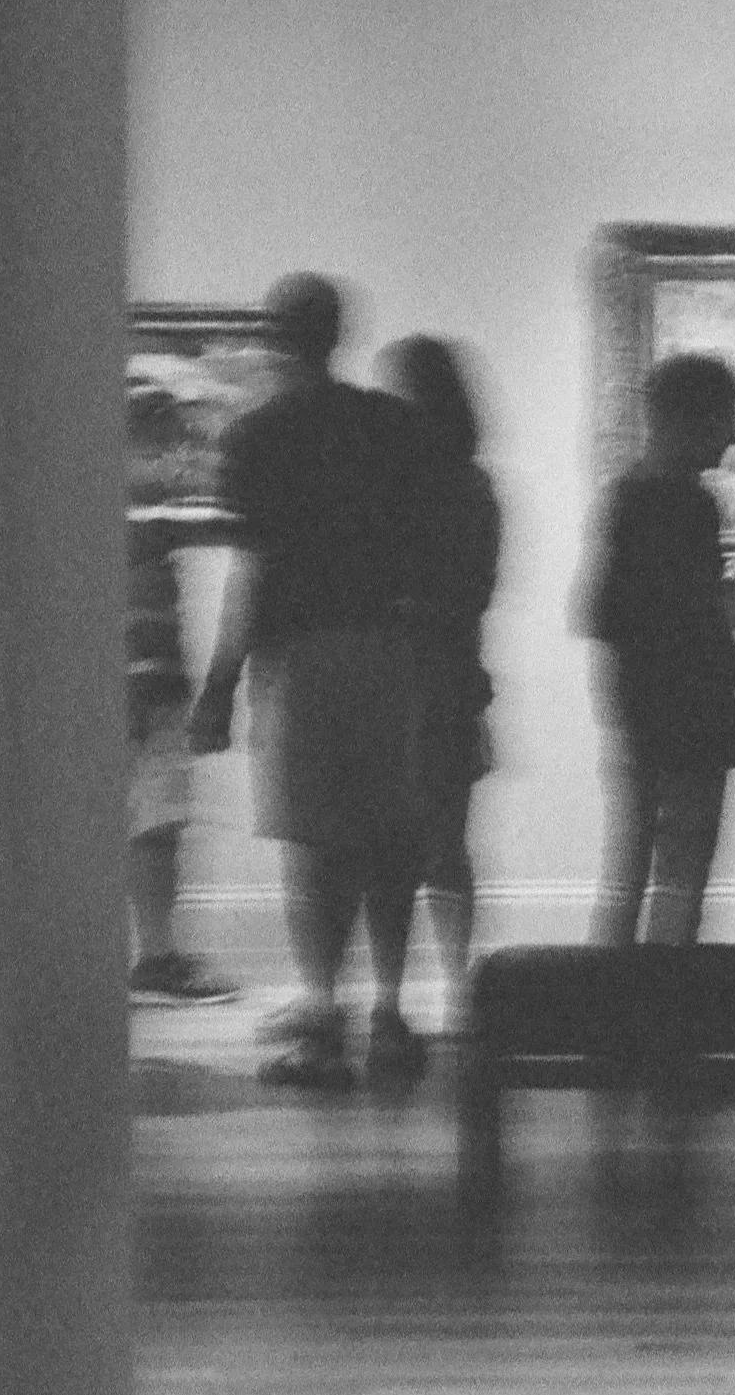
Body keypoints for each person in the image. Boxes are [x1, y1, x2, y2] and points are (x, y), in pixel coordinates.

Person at [188, 272, 435, 1089]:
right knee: (390, 837)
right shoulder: (395, 427)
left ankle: (325, 1016)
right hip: (388, 646)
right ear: (338, 332)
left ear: (274, 337)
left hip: (300, 655)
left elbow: (253, 569)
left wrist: (220, 681)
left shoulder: (258, 436)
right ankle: (392, 1011)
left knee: (317, 843)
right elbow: (424, 552)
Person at [574, 352, 735, 947]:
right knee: (681, 873)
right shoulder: (690, 504)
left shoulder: (627, 495)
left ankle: (616, 1005)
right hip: (688, 713)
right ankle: (664, 1005)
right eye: (725, 417)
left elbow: (601, 612)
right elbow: (684, 612)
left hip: (640, 707)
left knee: (630, 867)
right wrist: (726, 661)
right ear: (689, 419)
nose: (734, 435)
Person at [375, 335, 502, 1037]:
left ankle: (394, 998)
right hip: (451, 673)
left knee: (396, 849)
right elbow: (476, 590)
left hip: (406, 675)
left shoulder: (402, 487)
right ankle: (455, 989)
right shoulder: (473, 484)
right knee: (448, 845)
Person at [125, 383, 239, 1005]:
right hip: (144, 682)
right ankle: (157, 958)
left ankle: (155, 956)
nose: (176, 452)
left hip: (140, 680)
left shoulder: (132, 497)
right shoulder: (142, 497)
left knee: (151, 822)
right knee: (157, 823)